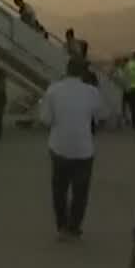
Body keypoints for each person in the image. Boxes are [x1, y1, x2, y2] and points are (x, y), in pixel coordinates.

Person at [39, 58, 103, 240]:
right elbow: (100, 115)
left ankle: (61, 225)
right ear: (83, 73)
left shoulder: (53, 90)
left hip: (59, 146)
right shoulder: (91, 92)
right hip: (83, 148)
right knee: (80, 191)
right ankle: (74, 226)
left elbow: (45, 119)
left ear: (66, 70)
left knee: (59, 189)